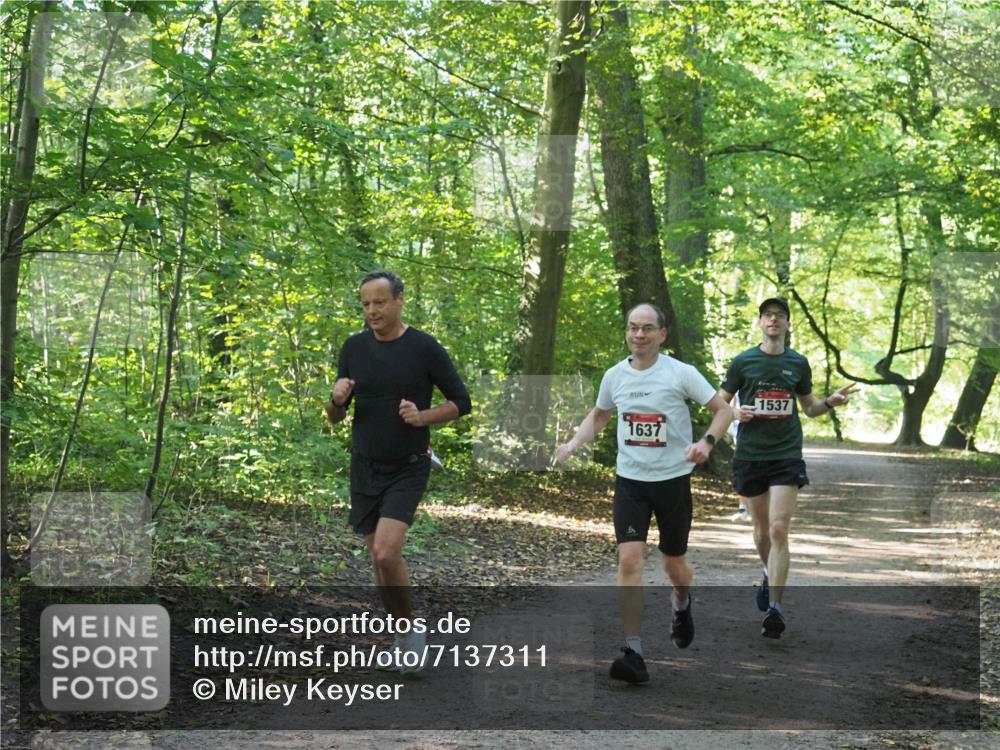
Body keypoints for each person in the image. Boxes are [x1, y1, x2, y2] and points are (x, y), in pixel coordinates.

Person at [555, 304, 733, 684]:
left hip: (672, 481)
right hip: (631, 482)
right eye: (633, 328)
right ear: (626, 333)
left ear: (662, 334)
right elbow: (600, 414)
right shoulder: (614, 376)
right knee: (629, 560)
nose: (639, 335)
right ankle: (633, 651)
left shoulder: (680, 373)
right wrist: (573, 444)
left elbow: (723, 411)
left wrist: (706, 442)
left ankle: (681, 602)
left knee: (674, 565)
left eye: (647, 328)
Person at [325, 270, 471, 670]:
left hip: (409, 465)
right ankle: (404, 637)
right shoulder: (353, 347)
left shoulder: (424, 347)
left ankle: (410, 634)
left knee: (387, 553)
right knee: (378, 560)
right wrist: (335, 400)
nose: (372, 311)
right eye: (366, 304)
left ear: (400, 300)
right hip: (364, 465)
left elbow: (461, 402)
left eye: (380, 302)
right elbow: (336, 416)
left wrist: (423, 417)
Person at [718, 297, 856, 638]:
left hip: (786, 454)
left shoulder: (798, 363)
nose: (773, 320)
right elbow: (719, 403)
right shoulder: (743, 362)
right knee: (761, 532)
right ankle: (769, 572)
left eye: (780, 315)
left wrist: (830, 402)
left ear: (788, 324)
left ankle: (775, 609)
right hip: (751, 455)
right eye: (768, 315)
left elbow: (809, 407)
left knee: (779, 529)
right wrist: (735, 413)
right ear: (760, 323)